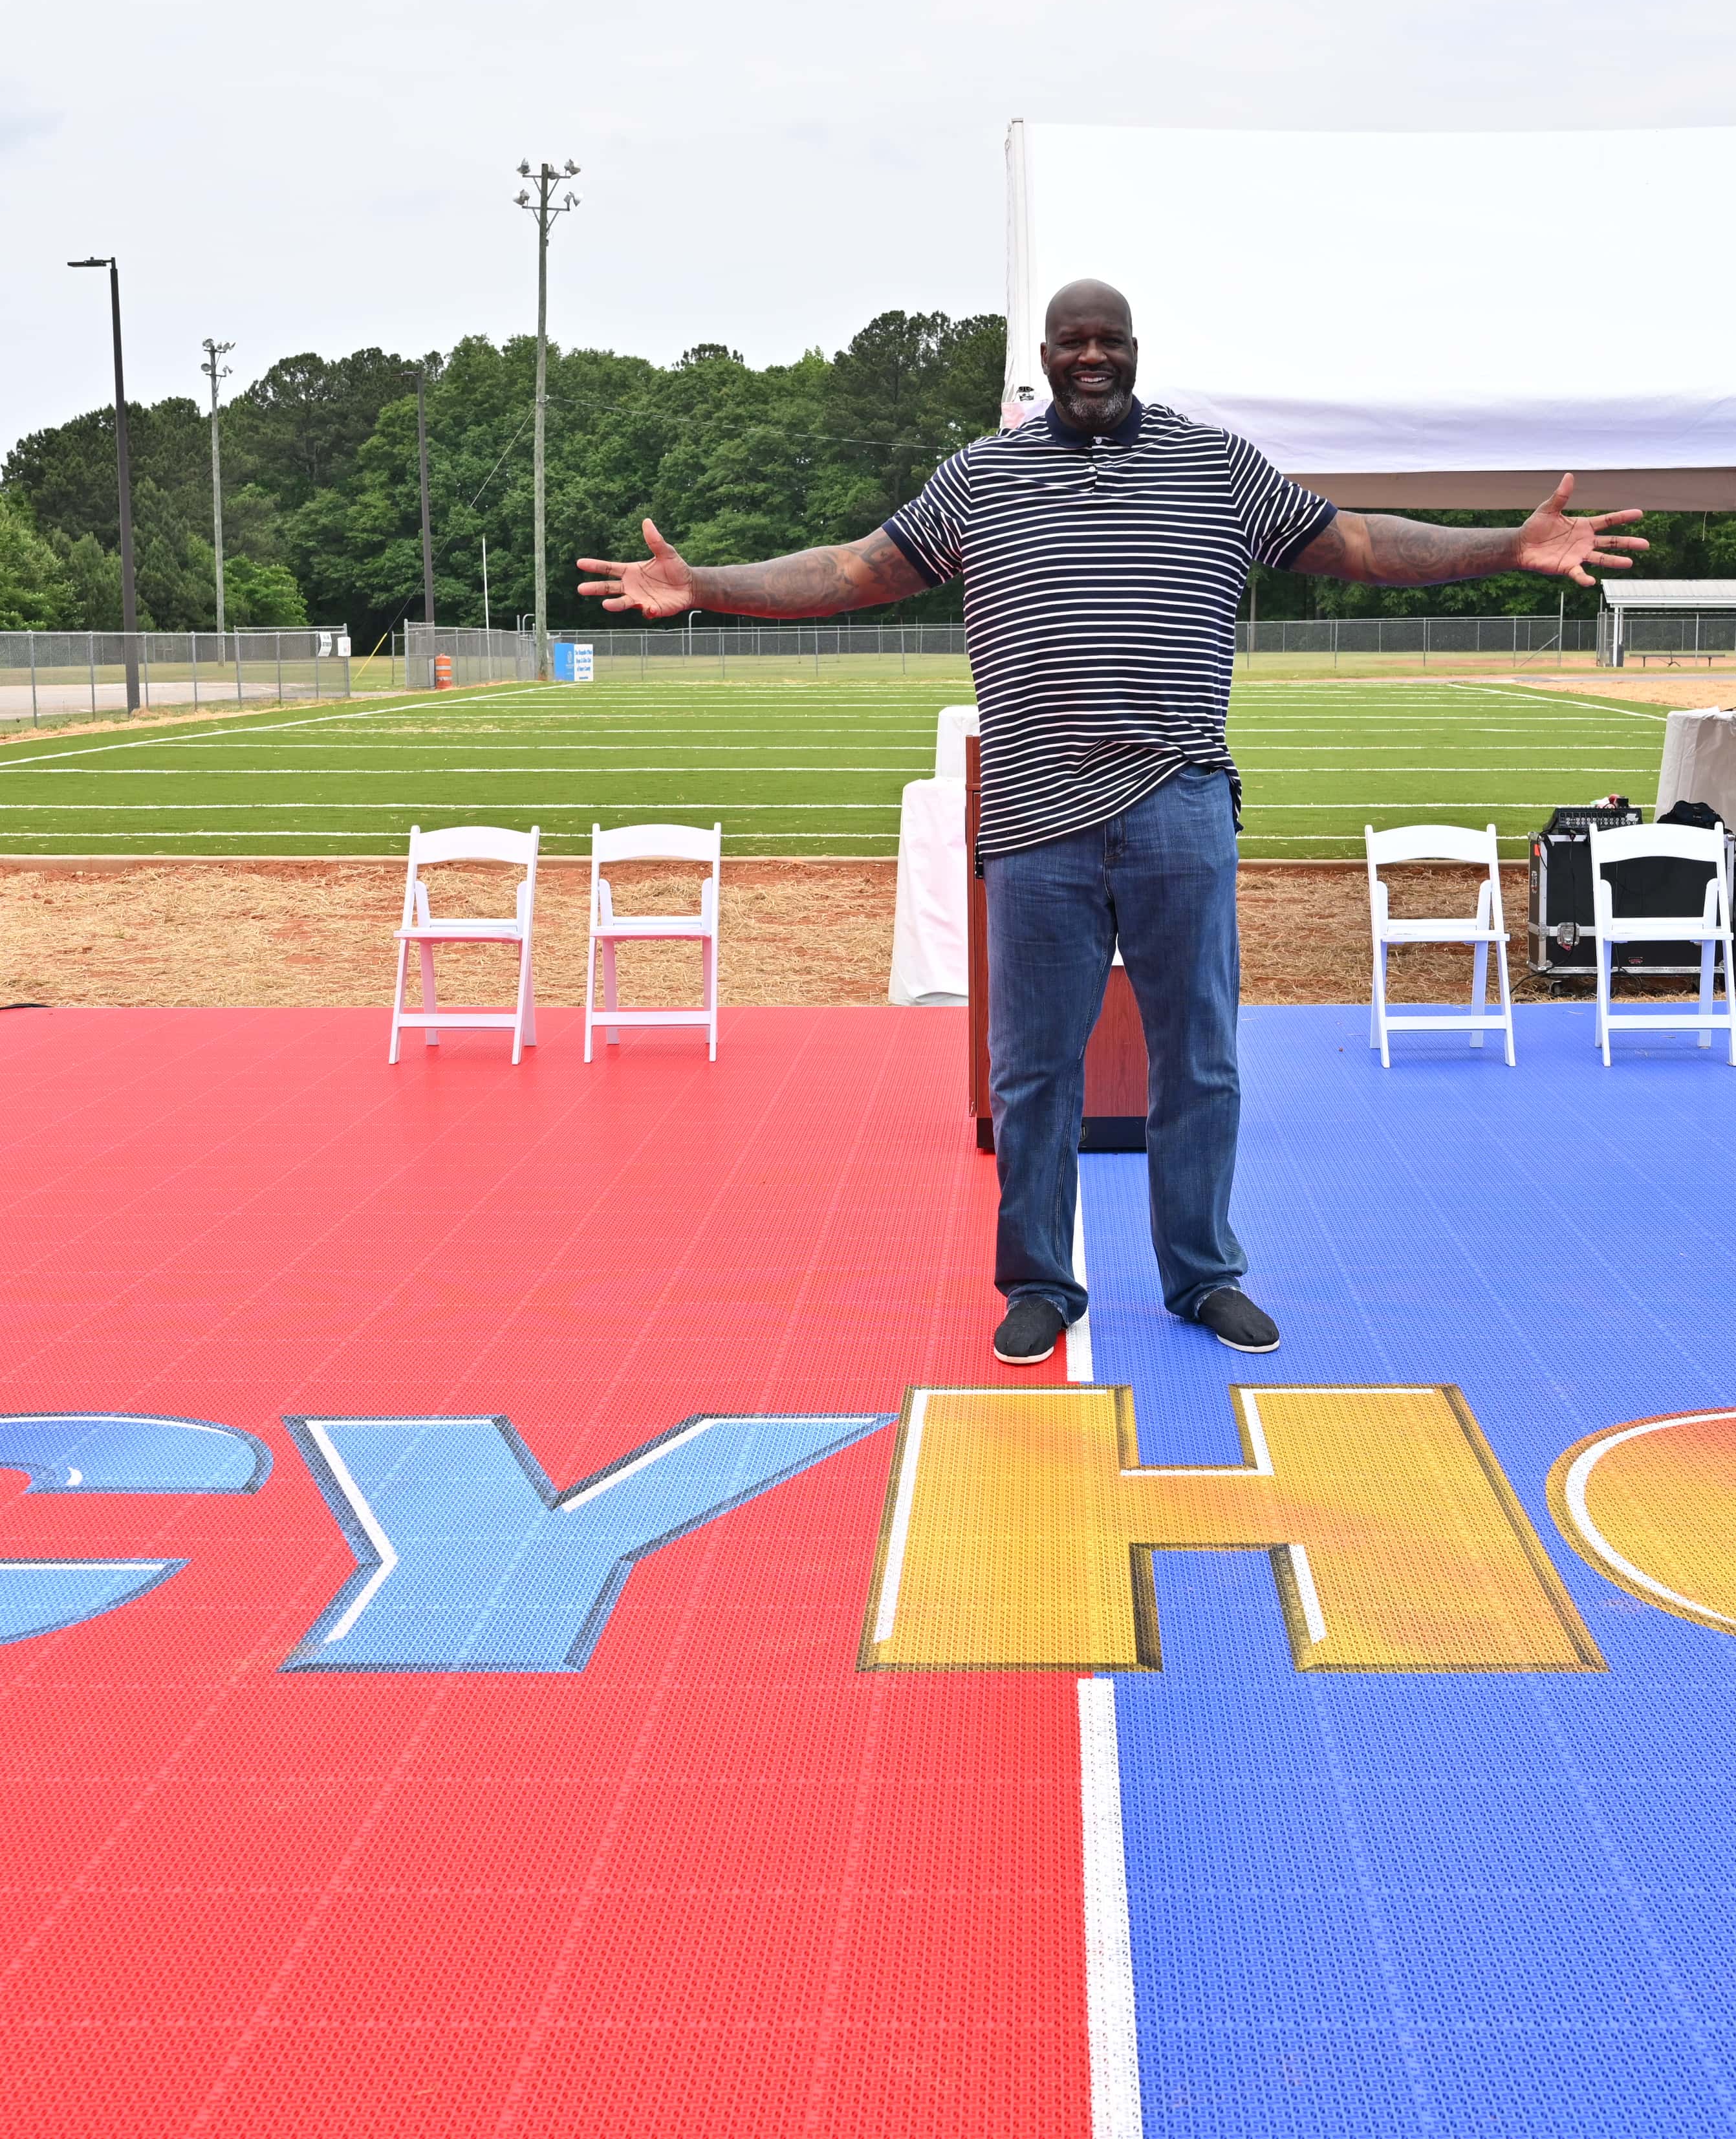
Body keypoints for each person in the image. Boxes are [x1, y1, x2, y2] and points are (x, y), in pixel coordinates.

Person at [578, 278, 1641, 1365]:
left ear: (1136, 351)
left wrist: (1504, 546)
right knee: (1034, 1068)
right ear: (1043, 355)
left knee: (1201, 1057)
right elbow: (851, 569)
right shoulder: (980, 478)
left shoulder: (1215, 466)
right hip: (1036, 813)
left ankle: (1204, 1274)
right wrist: (705, 583)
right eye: (1073, 341)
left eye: (1111, 341)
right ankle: (1040, 1280)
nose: (1093, 357)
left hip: (1180, 800)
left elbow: (1361, 541)